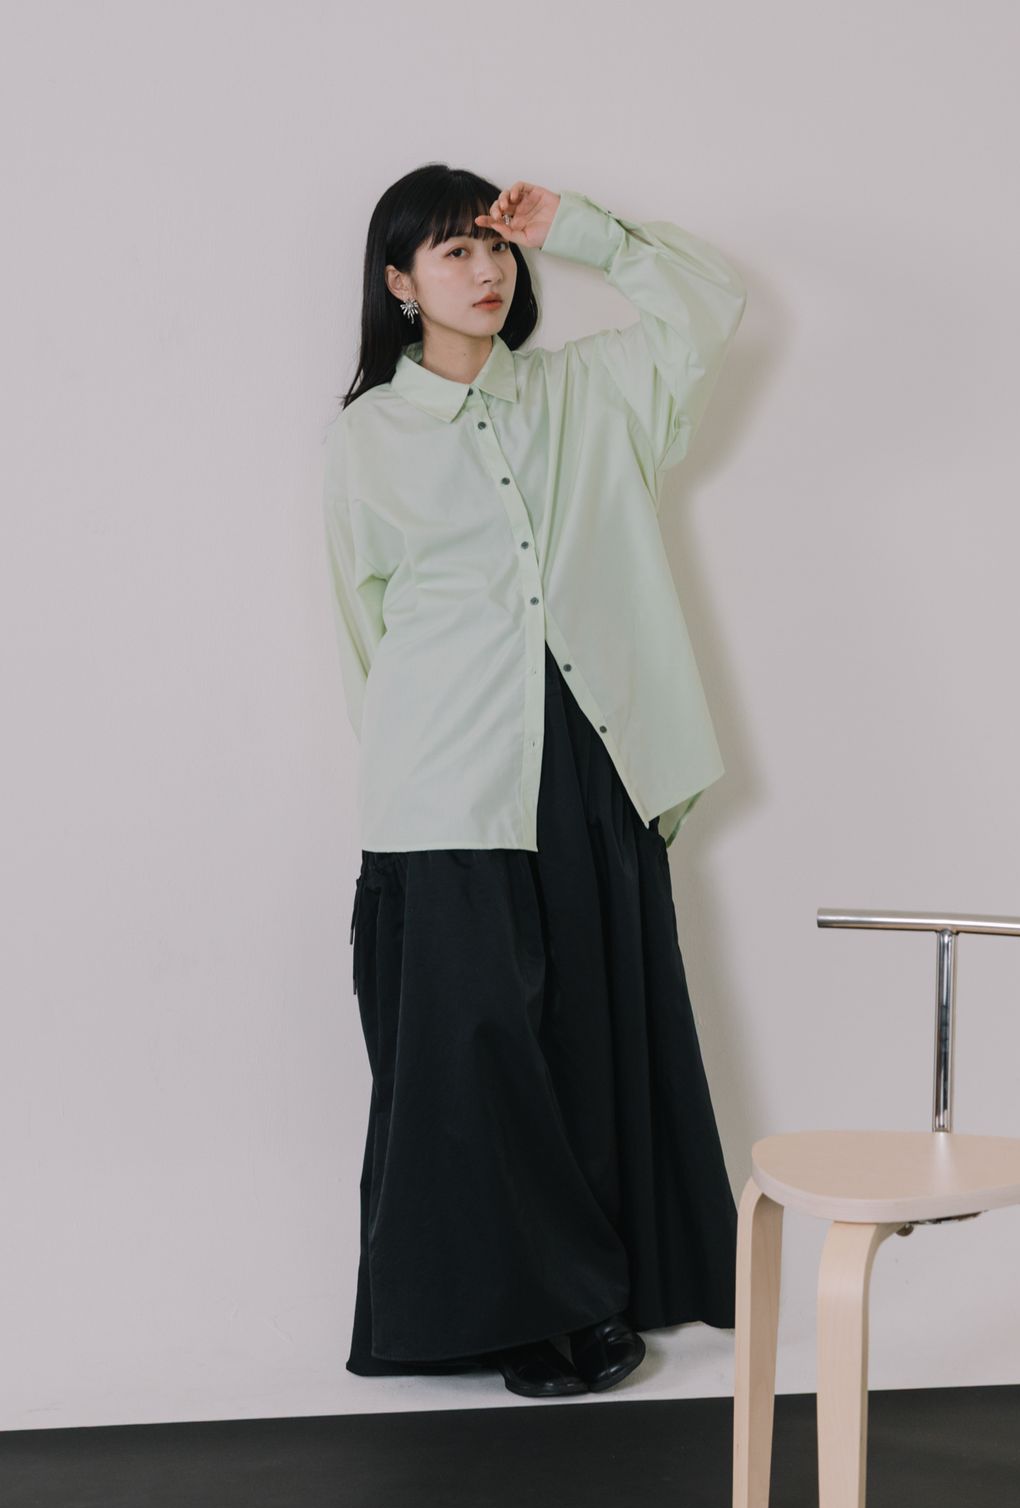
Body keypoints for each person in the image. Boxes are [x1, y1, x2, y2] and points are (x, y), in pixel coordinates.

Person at [322, 167, 746, 1398]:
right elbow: (362, 632)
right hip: (443, 778)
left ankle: (597, 1299)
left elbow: (708, 306)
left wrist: (586, 233)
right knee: (472, 1053)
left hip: (591, 757)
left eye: (495, 248)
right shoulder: (366, 440)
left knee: (587, 1034)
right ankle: (515, 1317)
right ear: (399, 285)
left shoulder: (590, 393)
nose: (485, 269)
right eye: (452, 253)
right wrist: (417, 768)